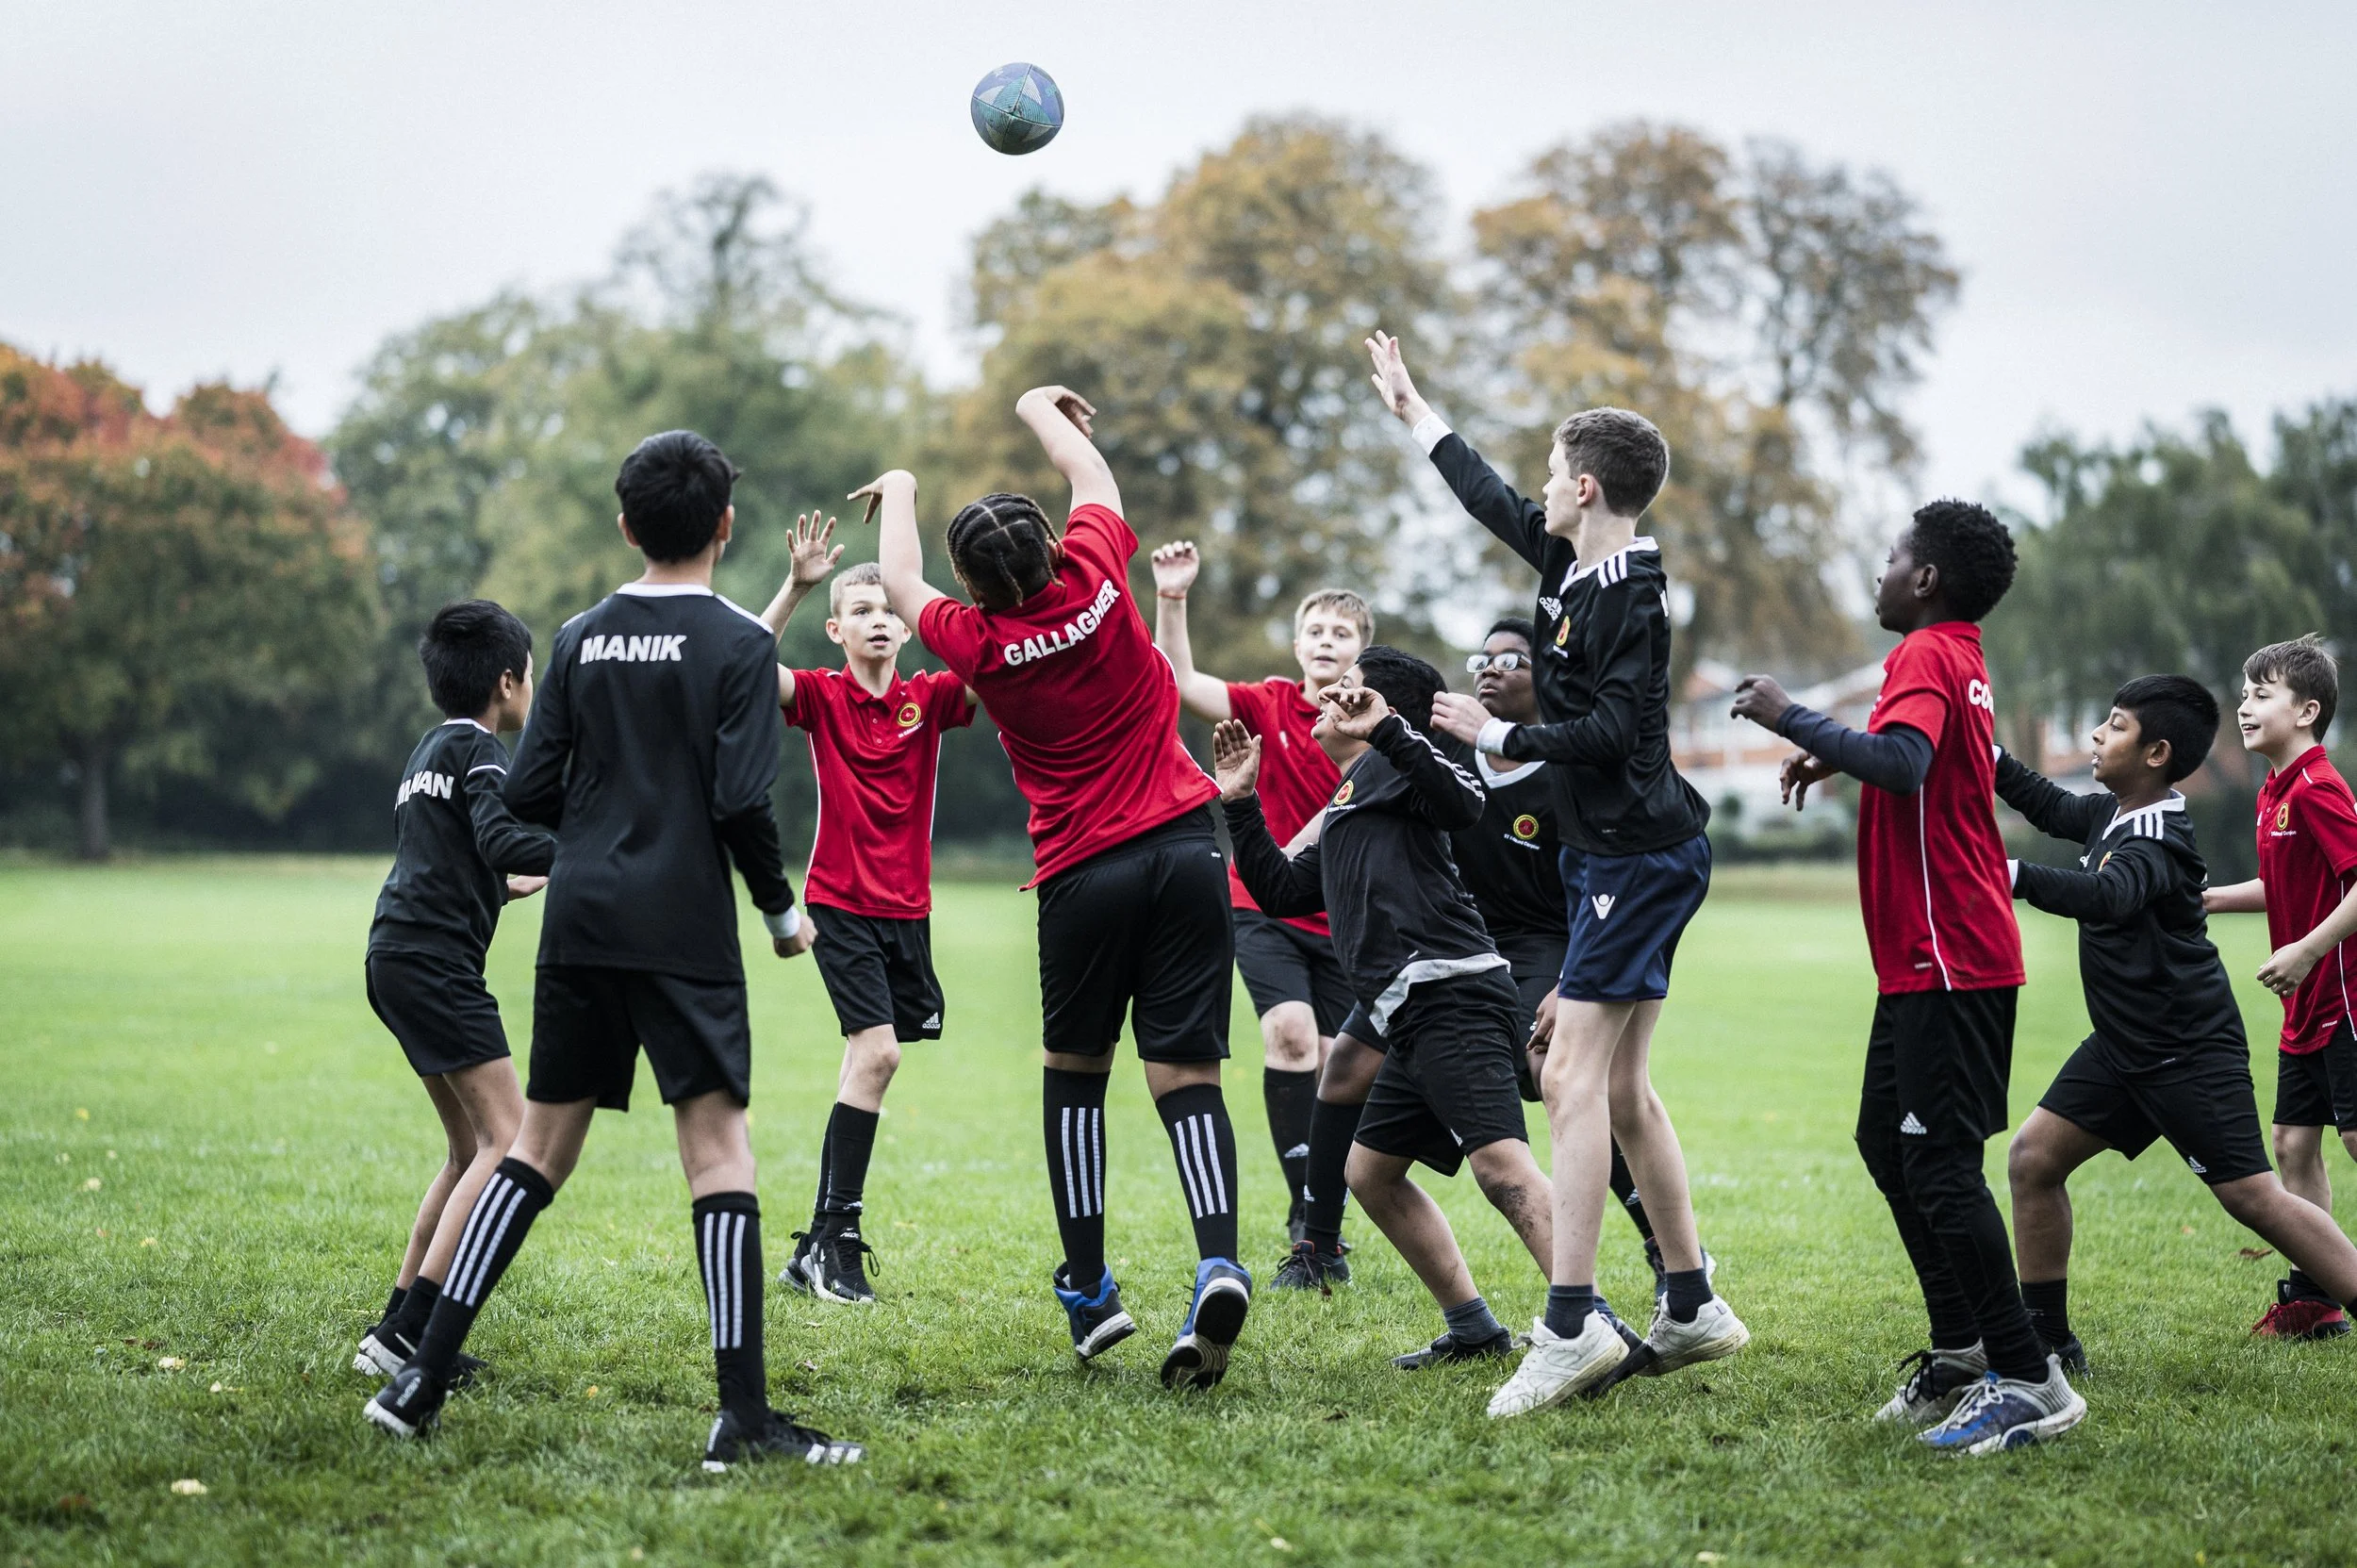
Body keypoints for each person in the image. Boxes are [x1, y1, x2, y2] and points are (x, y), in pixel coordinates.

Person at [366, 430, 865, 1472]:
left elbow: (528, 789)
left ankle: (418, 1378)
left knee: (536, 1152)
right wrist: (781, 914)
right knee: (718, 1154)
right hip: (681, 923)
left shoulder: (581, 637)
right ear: (726, 525)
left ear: (627, 525)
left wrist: (598, 827)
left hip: (581, 922)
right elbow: (742, 800)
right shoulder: (739, 645)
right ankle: (744, 1420)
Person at [1367, 332, 1744, 1417]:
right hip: (1614, 857)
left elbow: (1617, 731)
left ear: (1584, 489)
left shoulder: (1629, 595)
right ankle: (1690, 1302)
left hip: (1638, 857)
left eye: (1549, 471)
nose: (1536, 487)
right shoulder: (1574, 564)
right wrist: (1416, 413)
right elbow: (1489, 498)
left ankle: (1570, 1325)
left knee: (1569, 1079)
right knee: (1616, 1088)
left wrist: (1495, 734)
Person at [865, 385, 1251, 1391]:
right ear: (1049, 544)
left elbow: (897, 578)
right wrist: (1038, 402)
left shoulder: (975, 640)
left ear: (972, 584)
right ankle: (1218, 1260)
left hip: (1084, 870)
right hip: (1188, 847)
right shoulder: (1097, 570)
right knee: (1188, 1074)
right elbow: (1090, 471)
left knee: (1075, 1071)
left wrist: (900, 484)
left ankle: (1089, 1286)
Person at [1729, 498, 2084, 1457]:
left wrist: (1788, 713)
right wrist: (1835, 753)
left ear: (1923, 578)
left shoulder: (1928, 653)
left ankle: (2029, 1376)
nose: (1879, 572)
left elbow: (1904, 762)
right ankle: (1963, 1348)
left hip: (1951, 955)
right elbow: (1915, 755)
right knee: (1886, 1144)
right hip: (1928, 958)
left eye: (1890, 556)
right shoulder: (1952, 654)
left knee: (1937, 1164)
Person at [1274, 619, 1674, 1306]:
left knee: (1555, 1074)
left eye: (1512, 659)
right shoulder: (1447, 745)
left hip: (1542, 943)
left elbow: (1608, 881)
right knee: (1343, 1066)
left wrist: (1572, 980)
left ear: (1550, 679)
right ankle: (1318, 1247)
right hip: (1447, 941)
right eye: (1481, 658)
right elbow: (1347, 807)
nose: (1490, 669)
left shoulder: (1571, 769)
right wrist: (1287, 840)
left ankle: (1660, 1248)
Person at [1216, 649, 1561, 1371]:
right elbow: (1281, 891)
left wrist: (1391, 733)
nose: (1326, 696)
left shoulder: (1404, 767)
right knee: (1370, 1172)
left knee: (1501, 1166)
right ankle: (1474, 1328)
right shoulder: (1350, 795)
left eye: (1347, 689)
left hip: (1451, 992)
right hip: (1407, 1010)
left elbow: (1464, 802)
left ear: (1379, 709)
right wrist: (1241, 802)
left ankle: (1583, 1321)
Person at [1999, 675, 2357, 1364]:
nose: (2097, 735)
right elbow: (2045, 802)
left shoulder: (2156, 836)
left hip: (2186, 1053)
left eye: (2115, 725)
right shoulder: (2114, 814)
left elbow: (2108, 895)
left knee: (2254, 1198)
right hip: (2121, 1047)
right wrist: (1982, 755)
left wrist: (2011, 874)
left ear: (2156, 753)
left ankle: (2327, 1297)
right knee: (2033, 1159)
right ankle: (2046, 1342)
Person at [755, 518, 977, 1305]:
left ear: (908, 629)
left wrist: (951, 596)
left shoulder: (933, 696)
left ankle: (814, 1248)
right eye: (862, 610)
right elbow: (745, 664)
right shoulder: (820, 694)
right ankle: (839, 1242)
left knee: (864, 1060)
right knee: (879, 1057)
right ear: (836, 631)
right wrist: (797, 586)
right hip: (839, 903)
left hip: (907, 911)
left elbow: (1004, 663)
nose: (880, 620)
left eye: (890, 610)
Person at [354, 600, 554, 1384]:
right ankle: (413, 1331)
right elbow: (500, 837)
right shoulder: (483, 752)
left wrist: (504, 884)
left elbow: (447, 856)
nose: (532, 685)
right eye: (530, 673)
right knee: (509, 1139)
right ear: (506, 682)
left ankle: (393, 1326)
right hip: (436, 966)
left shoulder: (427, 751)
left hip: (394, 953)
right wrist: (581, 847)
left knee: (468, 1147)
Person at [1152, 538, 1369, 1244]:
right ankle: (1306, 1208)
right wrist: (1173, 597)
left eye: (1342, 632)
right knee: (1289, 1033)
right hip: (1262, 905)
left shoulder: (1374, 725)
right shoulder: (1265, 702)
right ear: (1298, 644)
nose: (1326, 641)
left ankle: (1324, 1208)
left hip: (1344, 917)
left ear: (1361, 650)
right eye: (1316, 630)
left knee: (1338, 1065)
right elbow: (1181, 681)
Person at [2204, 635, 2357, 1339]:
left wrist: (2306, 948)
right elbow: (2285, 883)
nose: (2244, 706)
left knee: (2353, 1137)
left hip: (2345, 997)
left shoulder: (2318, 788)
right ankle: (2316, 1299)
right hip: (2307, 1001)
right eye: (2243, 693)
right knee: (2293, 1143)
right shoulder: (2275, 792)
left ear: (2307, 710)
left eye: (2261, 694)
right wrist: (2210, 899)